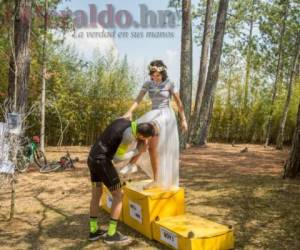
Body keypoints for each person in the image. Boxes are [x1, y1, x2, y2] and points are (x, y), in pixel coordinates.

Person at [87, 118, 156, 244]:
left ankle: (93, 231)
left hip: (92, 157)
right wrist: (137, 150)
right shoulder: (129, 136)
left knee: (96, 194)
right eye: (145, 139)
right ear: (140, 135)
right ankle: (111, 234)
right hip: (101, 162)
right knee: (119, 195)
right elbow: (117, 158)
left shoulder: (125, 121)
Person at [122, 60, 188, 190]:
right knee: (148, 144)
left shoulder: (169, 83)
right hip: (154, 113)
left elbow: (179, 103)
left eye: (158, 74)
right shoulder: (148, 84)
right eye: (153, 74)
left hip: (165, 116)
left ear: (163, 73)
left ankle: (132, 164)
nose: (155, 77)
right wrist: (129, 111)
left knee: (147, 133)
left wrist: (183, 119)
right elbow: (138, 99)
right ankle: (154, 179)